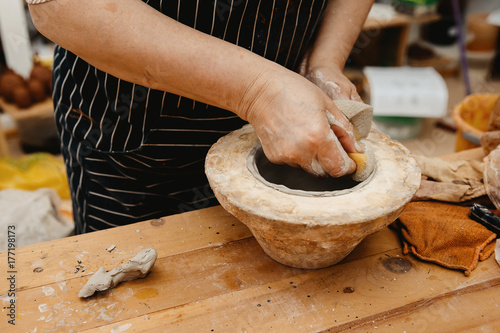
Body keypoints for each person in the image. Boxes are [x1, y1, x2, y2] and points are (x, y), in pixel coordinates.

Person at [27, 0, 374, 234]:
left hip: (289, 111)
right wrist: (257, 91)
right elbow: (57, 6)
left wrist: (322, 62)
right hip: (135, 133)